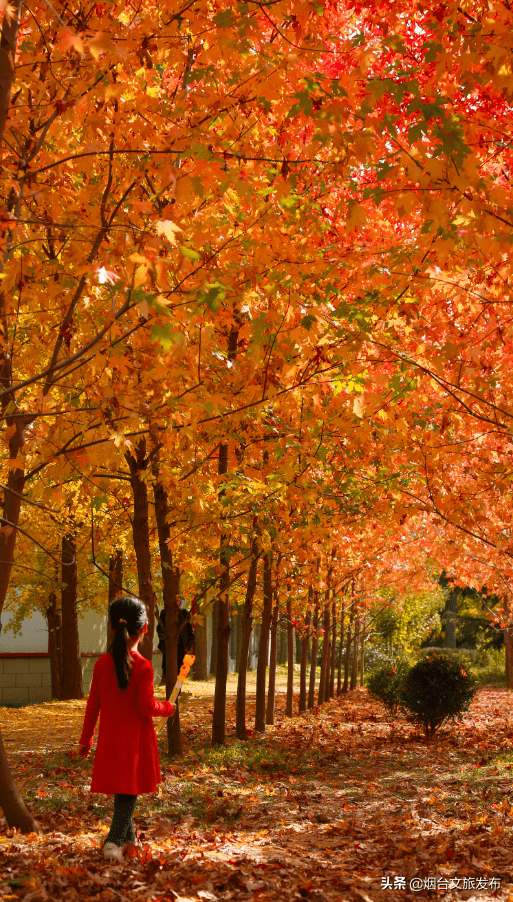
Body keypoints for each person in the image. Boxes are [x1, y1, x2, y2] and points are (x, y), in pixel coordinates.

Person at [78, 596, 176, 862]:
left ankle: (130, 841)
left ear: (111, 628)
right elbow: (146, 707)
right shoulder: (143, 667)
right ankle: (112, 842)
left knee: (123, 790)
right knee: (128, 793)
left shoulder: (100, 665)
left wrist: (85, 740)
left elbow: (92, 707)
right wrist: (168, 708)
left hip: (110, 740)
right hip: (134, 742)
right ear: (145, 629)